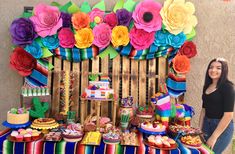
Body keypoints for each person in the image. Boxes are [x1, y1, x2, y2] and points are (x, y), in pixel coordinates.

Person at [199, 57, 235, 153]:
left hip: (222, 127)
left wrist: (214, 137)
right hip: (207, 124)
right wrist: (199, 129)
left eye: (218, 68)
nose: (213, 70)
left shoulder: (228, 87)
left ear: (224, 70)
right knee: (202, 151)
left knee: (211, 152)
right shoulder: (206, 86)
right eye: (211, 67)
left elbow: (228, 115)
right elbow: (203, 110)